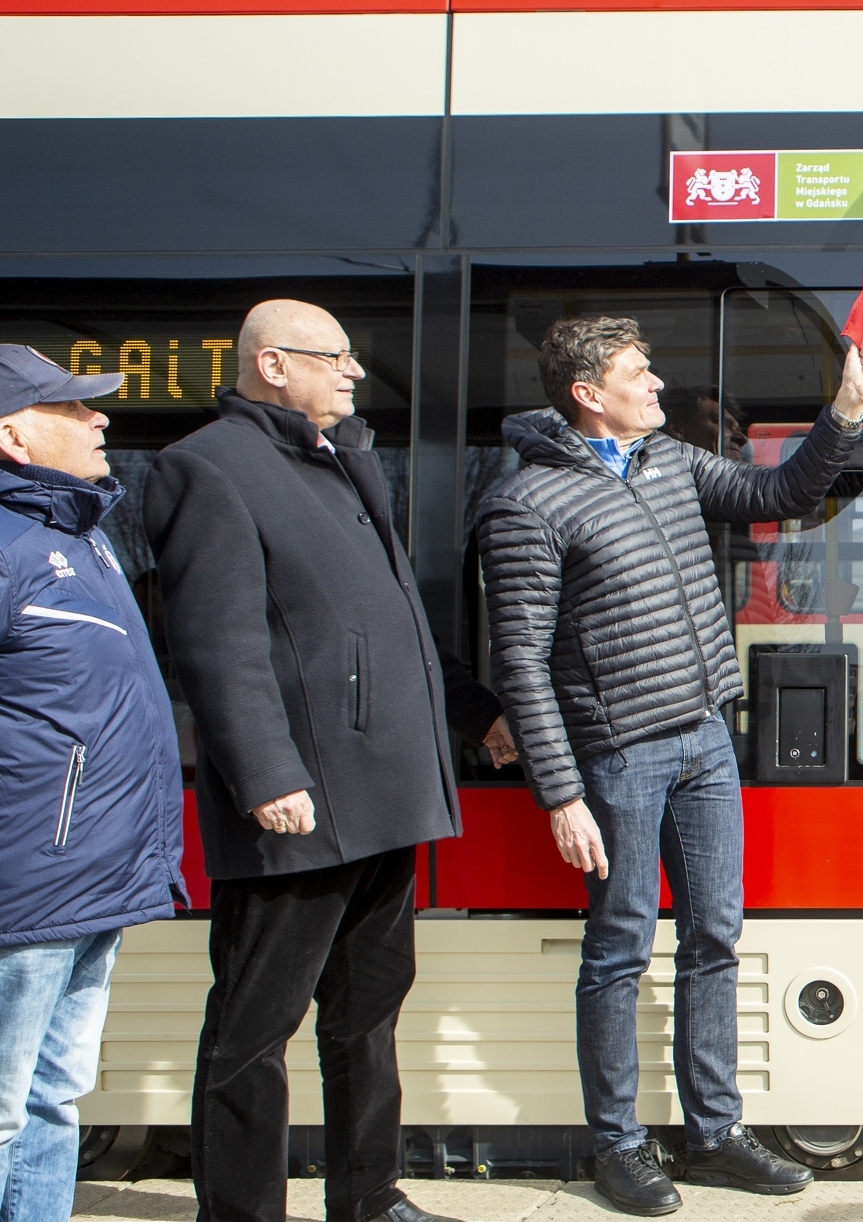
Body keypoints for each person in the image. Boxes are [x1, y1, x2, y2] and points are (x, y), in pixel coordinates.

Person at [474, 317, 863, 1216]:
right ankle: (618, 1147)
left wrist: (849, 404)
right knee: (619, 949)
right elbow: (522, 663)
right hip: (617, 756)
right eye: (638, 372)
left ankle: (714, 1133)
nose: (657, 385)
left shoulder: (670, 463)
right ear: (588, 393)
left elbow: (781, 490)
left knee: (715, 938)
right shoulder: (527, 506)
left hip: (705, 735)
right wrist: (561, 794)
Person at [145, 301, 514, 1222]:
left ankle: (367, 1197)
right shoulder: (208, 468)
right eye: (336, 357)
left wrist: (474, 717)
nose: (355, 373)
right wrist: (267, 774)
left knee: (370, 1011)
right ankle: (240, 1212)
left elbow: (394, 626)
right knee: (254, 1026)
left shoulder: (341, 460)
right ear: (273, 365)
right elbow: (216, 645)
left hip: (384, 793)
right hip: (301, 802)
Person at [0, 348, 185, 1222]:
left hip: (86, 885)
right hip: (21, 888)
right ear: (13, 436)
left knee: (49, 1098)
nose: (100, 420)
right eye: (73, 409)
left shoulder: (83, 540)